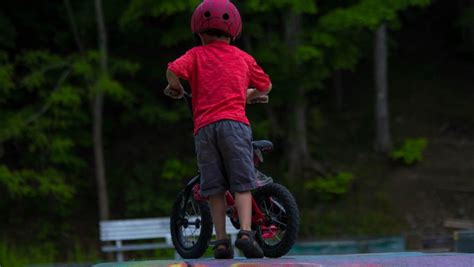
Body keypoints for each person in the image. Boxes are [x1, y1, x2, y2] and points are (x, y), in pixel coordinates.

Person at [164, 0, 272, 259]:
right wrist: (252, 95)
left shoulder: (195, 55)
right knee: (243, 183)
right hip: (235, 125)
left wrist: (176, 88)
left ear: (199, 33)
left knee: (213, 187)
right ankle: (245, 233)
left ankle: (222, 241)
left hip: (205, 129)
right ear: (233, 32)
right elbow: (266, 85)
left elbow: (171, 70)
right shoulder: (243, 58)